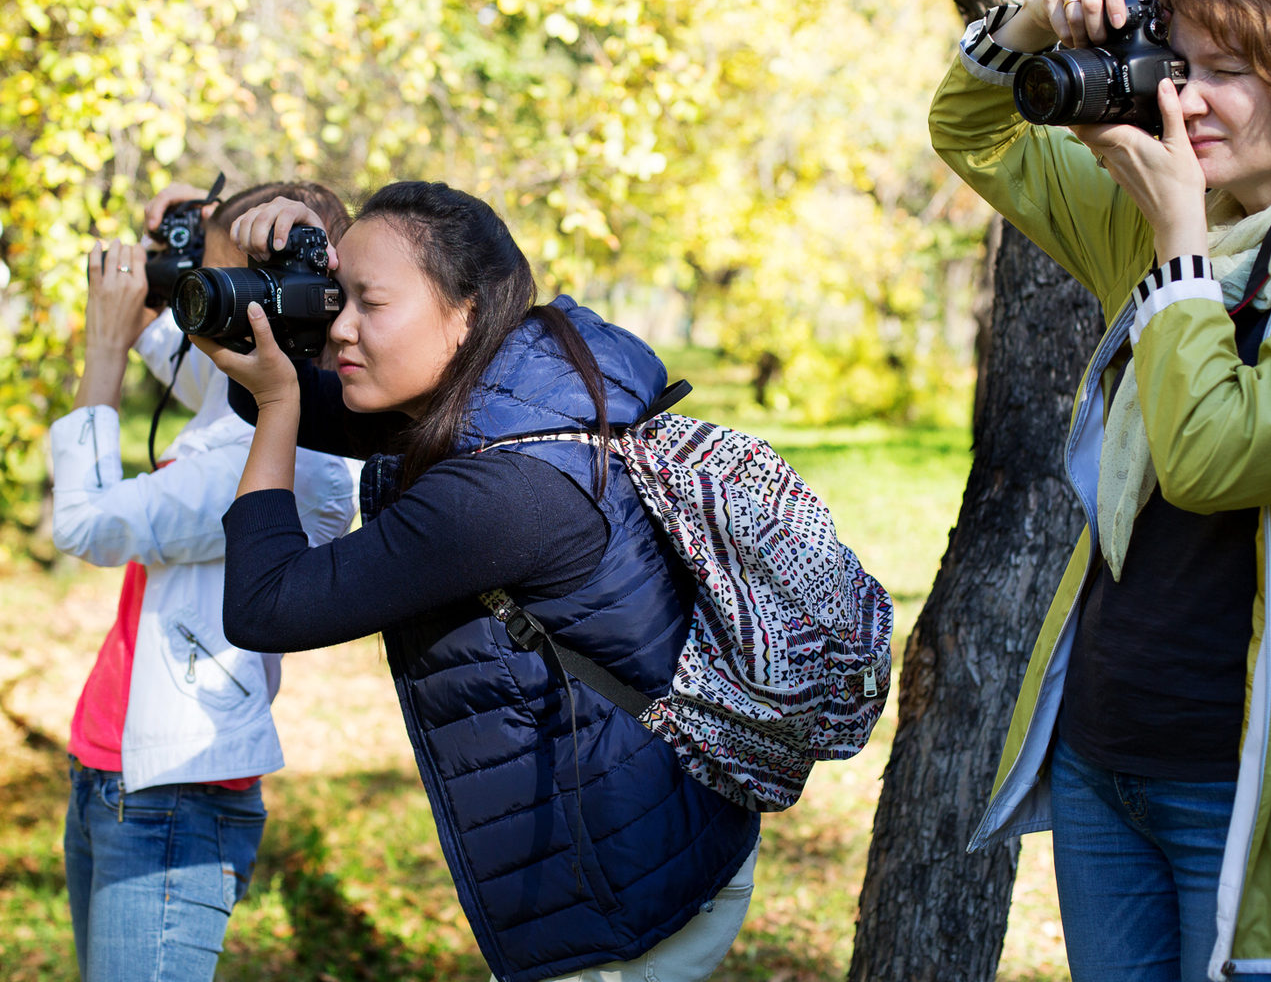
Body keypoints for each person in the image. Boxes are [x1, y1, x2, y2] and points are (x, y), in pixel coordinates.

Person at [933, 0, 1271, 980]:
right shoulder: (1181, 210)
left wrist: (1176, 248)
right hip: (1104, 756)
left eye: (1226, 74)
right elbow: (972, 127)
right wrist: (1038, 20)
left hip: (1265, 776)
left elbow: (1223, 452)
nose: (1185, 102)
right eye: (1177, 68)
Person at [190, 181, 762, 982]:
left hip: (618, 897)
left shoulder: (501, 495)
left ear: (464, 309)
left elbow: (265, 605)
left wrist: (280, 402)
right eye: (337, 296)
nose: (341, 328)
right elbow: (293, 392)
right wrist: (289, 274)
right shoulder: (534, 368)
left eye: (369, 303)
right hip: (661, 825)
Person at [50, 181, 359, 981]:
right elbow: (193, 368)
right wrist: (176, 253)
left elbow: (85, 522)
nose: (206, 310)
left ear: (293, 305)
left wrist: (103, 350)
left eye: (228, 289)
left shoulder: (280, 455)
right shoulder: (245, 409)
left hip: (172, 798)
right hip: (114, 766)